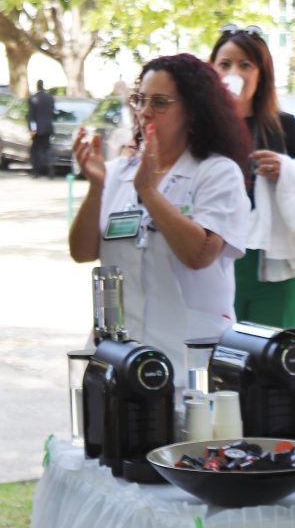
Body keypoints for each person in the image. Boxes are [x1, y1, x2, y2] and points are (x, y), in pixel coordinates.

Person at [69, 53, 251, 378]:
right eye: (140, 100)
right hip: (119, 357)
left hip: (190, 363)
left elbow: (199, 254)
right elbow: (82, 253)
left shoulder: (217, 173)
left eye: (160, 102)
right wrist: (96, 188)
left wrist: (150, 194)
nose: (145, 112)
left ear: (192, 111)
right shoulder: (117, 172)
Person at [210, 25, 295, 327]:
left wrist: (286, 171)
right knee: (220, 347)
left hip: (272, 264)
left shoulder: (284, 126)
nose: (234, 73)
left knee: (274, 349)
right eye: (225, 64)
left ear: (262, 74)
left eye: (245, 65)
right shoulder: (198, 130)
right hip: (214, 257)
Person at [28, 79, 56, 178]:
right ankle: (50, 165)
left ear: (37, 86)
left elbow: (32, 116)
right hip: (48, 127)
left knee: (35, 150)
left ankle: (36, 171)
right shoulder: (50, 98)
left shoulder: (33, 98)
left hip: (38, 128)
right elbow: (52, 112)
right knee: (46, 148)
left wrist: (32, 129)